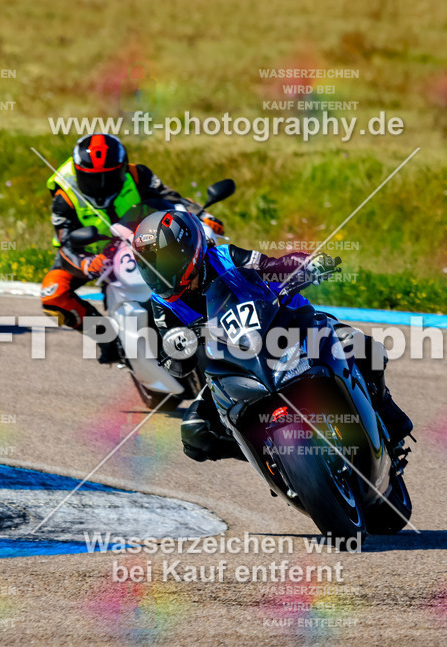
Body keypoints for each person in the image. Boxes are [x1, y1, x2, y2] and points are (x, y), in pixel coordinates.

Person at [131, 209, 413, 463]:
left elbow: (271, 267)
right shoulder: (162, 303)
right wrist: (176, 352)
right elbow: (175, 357)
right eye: (149, 265)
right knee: (195, 435)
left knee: (365, 349)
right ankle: (271, 458)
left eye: (163, 261)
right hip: (235, 367)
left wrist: (305, 267)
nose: (158, 272)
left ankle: (388, 415)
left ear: (188, 250)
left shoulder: (226, 257)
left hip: (289, 327)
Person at [39, 133, 223, 364]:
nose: (101, 185)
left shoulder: (138, 174)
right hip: (92, 252)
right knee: (53, 294)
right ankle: (107, 339)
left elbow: (170, 197)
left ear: (123, 168)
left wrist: (201, 214)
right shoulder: (64, 196)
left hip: (140, 239)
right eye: (94, 179)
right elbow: (65, 243)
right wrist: (87, 262)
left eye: (109, 177)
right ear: (78, 172)